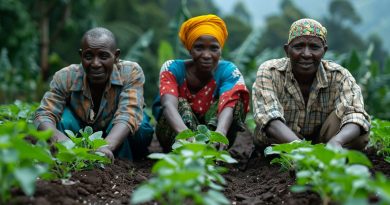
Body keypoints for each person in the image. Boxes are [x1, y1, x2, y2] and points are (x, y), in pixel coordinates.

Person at [34, 27, 153, 161]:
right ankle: (69, 158)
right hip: (81, 129)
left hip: (117, 130)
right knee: (62, 120)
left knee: (140, 127)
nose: (95, 64)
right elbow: (44, 114)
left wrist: (106, 146)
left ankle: (126, 161)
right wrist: (63, 142)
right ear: (81, 56)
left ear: (116, 56)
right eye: (89, 56)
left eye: (103, 56)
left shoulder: (130, 72)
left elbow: (129, 113)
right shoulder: (65, 76)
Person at [252, 18, 370, 151]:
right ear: (287, 50)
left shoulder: (339, 75)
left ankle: (329, 154)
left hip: (323, 140)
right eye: (298, 46)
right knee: (272, 136)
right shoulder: (270, 71)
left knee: (359, 136)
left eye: (314, 47)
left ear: (324, 51)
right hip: (282, 140)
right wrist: (302, 149)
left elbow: (356, 113)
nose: (307, 54)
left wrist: (337, 141)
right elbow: (268, 117)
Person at [152, 14, 250, 153]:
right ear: (190, 49)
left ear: (220, 50)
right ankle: (186, 151)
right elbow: (168, 105)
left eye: (214, 48)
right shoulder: (172, 68)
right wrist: (185, 135)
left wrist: (220, 133)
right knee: (180, 103)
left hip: (215, 136)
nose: (206, 55)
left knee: (236, 98)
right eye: (199, 48)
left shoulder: (229, 71)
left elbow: (229, 103)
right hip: (176, 136)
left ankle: (213, 149)